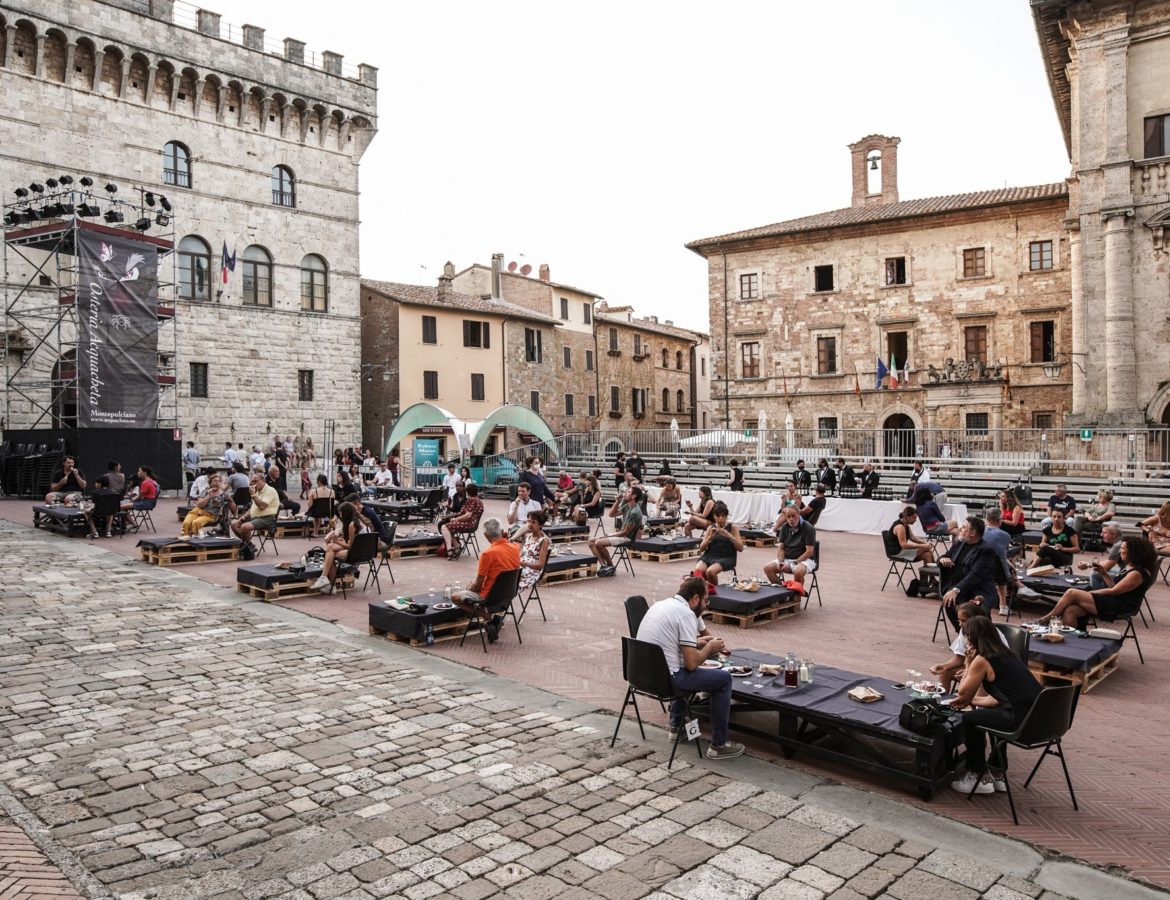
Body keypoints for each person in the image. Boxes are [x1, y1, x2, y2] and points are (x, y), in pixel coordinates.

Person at [635, 577, 744, 760]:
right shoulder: (686, 614)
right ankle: (719, 744)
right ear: (695, 598)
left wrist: (697, 643)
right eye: (705, 600)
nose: (706, 604)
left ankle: (676, 727)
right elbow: (692, 664)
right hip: (667, 681)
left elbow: (668, 644)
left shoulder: (661, 604)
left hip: (641, 676)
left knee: (682, 666)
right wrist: (709, 648)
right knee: (724, 679)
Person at [947, 615, 1041, 796]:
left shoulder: (982, 660)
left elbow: (963, 694)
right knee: (992, 713)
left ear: (972, 638)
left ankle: (977, 775)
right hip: (1039, 721)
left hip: (1019, 722)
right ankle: (998, 771)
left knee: (969, 719)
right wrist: (973, 701)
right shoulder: (1010, 655)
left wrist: (968, 664)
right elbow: (999, 699)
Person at [1040, 536, 1156, 628]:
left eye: (1123, 549)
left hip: (1119, 605)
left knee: (1072, 593)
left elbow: (1114, 591)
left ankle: (1048, 618)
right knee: (1070, 611)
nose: (1120, 551)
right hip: (1114, 599)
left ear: (1133, 553)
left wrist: (1091, 594)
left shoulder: (1137, 573)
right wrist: (1103, 572)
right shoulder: (1130, 566)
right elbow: (1114, 586)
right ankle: (1073, 642)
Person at [453, 518, 521, 642]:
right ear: (502, 531)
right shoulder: (515, 548)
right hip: (509, 594)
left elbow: (478, 585)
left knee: (455, 597)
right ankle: (491, 622)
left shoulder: (488, 554)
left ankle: (487, 617)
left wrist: (470, 587)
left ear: (485, 535)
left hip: (489, 596)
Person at [939, 517, 999, 630]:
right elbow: (946, 555)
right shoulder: (960, 543)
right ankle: (962, 634)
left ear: (972, 533)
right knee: (950, 601)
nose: (960, 529)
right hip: (960, 588)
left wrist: (956, 590)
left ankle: (979, 637)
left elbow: (975, 575)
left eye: (964, 527)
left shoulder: (986, 550)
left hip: (979, 591)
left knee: (974, 610)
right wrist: (943, 559)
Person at [310, 501, 372, 594]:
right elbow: (352, 542)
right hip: (365, 551)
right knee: (330, 549)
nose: (340, 515)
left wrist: (337, 540)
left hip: (358, 553)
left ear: (346, 513)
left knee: (331, 554)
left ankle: (329, 583)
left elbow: (350, 546)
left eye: (340, 512)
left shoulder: (352, 524)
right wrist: (339, 540)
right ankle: (326, 581)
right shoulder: (360, 520)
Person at [930, 601, 993, 692]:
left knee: (972, 680)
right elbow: (959, 658)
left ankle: (967, 702)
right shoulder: (964, 631)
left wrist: (969, 671)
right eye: (958, 620)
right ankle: (942, 703)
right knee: (944, 673)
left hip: (989, 670)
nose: (960, 624)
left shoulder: (988, 634)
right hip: (974, 667)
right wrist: (945, 666)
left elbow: (990, 662)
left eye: (963, 621)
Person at [589, 484, 644, 577]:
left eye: (628, 492)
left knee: (598, 543)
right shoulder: (627, 506)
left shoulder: (635, 512)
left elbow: (625, 533)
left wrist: (609, 535)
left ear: (634, 496)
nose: (625, 493)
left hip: (627, 538)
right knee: (591, 542)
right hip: (621, 534)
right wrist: (617, 501)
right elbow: (611, 514)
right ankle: (604, 566)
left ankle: (610, 566)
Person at [693, 502, 743, 592]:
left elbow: (740, 548)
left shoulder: (732, 528)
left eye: (723, 516)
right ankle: (704, 591)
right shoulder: (710, 528)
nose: (720, 519)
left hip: (726, 557)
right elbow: (701, 548)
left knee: (710, 572)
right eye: (718, 516)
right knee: (698, 570)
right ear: (714, 516)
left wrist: (730, 536)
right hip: (710, 555)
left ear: (726, 516)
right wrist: (709, 538)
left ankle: (714, 591)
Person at [764, 505, 817, 590]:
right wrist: (781, 561)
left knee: (798, 571)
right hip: (787, 558)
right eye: (788, 517)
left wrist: (794, 563)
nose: (791, 519)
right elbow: (781, 548)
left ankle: (796, 596)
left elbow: (809, 552)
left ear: (799, 514)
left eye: (793, 516)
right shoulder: (784, 527)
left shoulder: (808, 528)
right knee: (767, 568)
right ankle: (783, 591)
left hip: (805, 560)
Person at [230, 472, 280, 545]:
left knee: (245, 526)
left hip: (267, 518)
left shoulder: (270, 490)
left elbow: (262, 506)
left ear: (263, 481)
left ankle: (246, 545)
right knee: (234, 524)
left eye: (255, 481)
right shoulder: (258, 492)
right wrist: (244, 516)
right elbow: (252, 508)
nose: (253, 483)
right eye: (252, 481)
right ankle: (248, 544)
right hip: (255, 517)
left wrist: (253, 495)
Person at [982, 508, 1014, 615]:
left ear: (987, 519)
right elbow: (1003, 556)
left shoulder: (979, 531)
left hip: (977, 566)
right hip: (996, 571)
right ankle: (1003, 605)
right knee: (1003, 567)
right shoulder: (1005, 535)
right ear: (1000, 520)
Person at [440, 482, 484, 557]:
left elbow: (468, 515)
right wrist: (449, 516)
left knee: (444, 527)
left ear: (467, 492)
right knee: (447, 527)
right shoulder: (478, 500)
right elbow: (461, 512)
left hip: (469, 524)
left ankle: (450, 549)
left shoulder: (472, 500)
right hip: (471, 524)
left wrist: (456, 519)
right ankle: (456, 546)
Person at [1078, 522, 1124, 589]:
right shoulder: (1120, 542)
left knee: (1094, 574)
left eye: (1105, 532)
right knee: (1112, 570)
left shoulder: (1118, 546)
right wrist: (1088, 564)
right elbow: (1108, 562)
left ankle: (1097, 595)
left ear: (1114, 534)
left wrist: (1087, 565)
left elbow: (1104, 568)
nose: (1101, 535)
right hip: (1129, 572)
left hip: (1129, 576)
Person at [517, 509, 551, 594]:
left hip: (532, 571)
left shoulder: (544, 540)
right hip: (521, 566)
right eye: (528, 521)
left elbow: (540, 565)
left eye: (533, 522)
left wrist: (523, 564)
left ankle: (504, 599)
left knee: (510, 577)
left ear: (541, 524)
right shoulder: (528, 536)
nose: (530, 524)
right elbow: (522, 553)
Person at [306, 474, 334, 538]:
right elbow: (332, 504)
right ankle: (330, 531)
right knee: (320, 512)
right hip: (329, 513)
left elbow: (309, 505)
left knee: (316, 513)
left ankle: (315, 533)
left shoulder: (313, 491)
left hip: (317, 513)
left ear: (318, 481)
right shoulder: (332, 491)